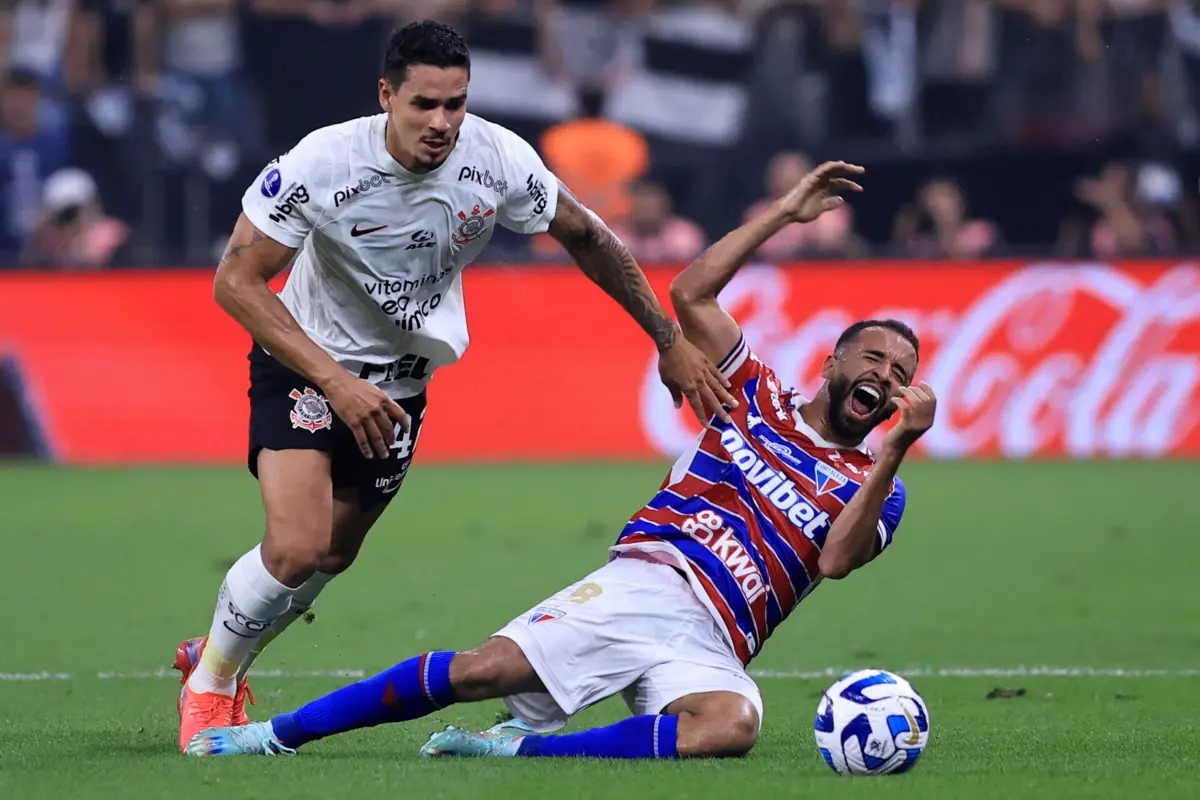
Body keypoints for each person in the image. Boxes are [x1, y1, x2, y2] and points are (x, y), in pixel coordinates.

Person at [183, 160, 939, 761]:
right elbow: (691, 292)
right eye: (872, 356)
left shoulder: (878, 484)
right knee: (480, 673)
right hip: (648, 582)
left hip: (717, 640)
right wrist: (783, 213)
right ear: (836, 361)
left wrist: (897, 448)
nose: (884, 375)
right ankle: (277, 734)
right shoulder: (754, 393)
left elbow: (836, 560)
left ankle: (529, 751)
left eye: (901, 371)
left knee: (730, 726)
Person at [173, 20, 738, 752]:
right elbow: (236, 281)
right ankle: (212, 686)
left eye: (456, 104)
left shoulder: (496, 158)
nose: (442, 122)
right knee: (297, 545)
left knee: (335, 555)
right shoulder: (325, 160)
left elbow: (588, 236)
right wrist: (335, 380)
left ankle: (221, 640)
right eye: (424, 105)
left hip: (402, 386)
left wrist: (668, 338)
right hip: (306, 365)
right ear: (387, 96)